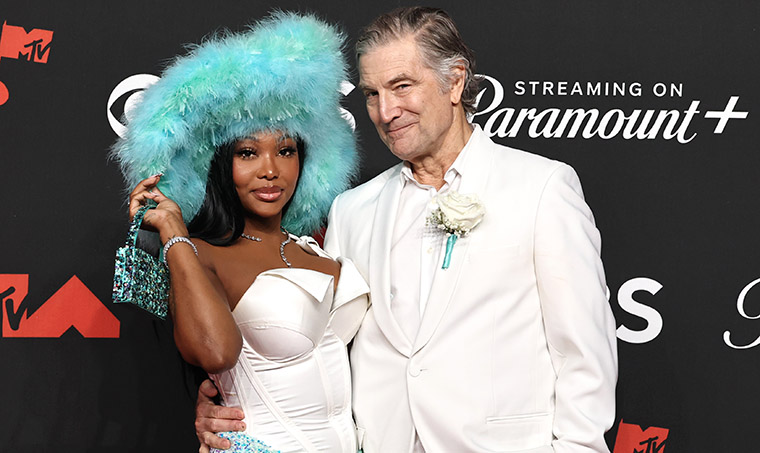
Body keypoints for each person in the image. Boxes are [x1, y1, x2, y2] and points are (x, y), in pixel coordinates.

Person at [197, 6, 618, 453]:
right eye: (372, 94)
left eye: (401, 86)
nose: (385, 111)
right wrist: (233, 406)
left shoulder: (541, 188)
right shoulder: (352, 211)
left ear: (455, 82)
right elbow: (321, 356)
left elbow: (583, 353)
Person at [113, 12, 369, 453]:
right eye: (248, 153)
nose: (271, 170)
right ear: (218, 164)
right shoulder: (199, 254)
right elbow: (215, 353)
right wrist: (173, 231)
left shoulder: (320, 246)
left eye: (286, 151)